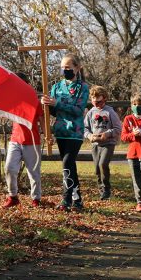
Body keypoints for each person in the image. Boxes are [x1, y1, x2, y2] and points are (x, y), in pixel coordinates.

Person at [42, 53, 89, 212]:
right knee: (70, 165)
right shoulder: (56, 87)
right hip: (60, 131)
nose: (65, 70)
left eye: (68, 68)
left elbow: (78, 110)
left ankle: (66, 199)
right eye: (62, 68)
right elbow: (56, 112)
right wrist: (47, 104)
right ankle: (78, 199)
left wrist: (58, 103)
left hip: (74, 132)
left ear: (77, 68)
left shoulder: (82, 87)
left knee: (67, 163)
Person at [4, 76, 42, 208]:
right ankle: (13, 196)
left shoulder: (34, 100)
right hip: (15, 140)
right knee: (9, 167)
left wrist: (48, 135)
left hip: (32, 141)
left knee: (33, 172)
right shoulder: (12, 98)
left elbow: (42, 119)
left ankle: (36, 199)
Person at [83, 85, 119, 200]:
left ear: (104, 98)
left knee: (103, 164)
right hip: (95, 144)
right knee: (97, 168)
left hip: (108, 143)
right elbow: (85, 128)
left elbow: (118, 128)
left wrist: (107, 134)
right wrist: (90, 136)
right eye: (93, 98)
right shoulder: (91, 113)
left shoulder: (109, 112)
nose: (95, 101)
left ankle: (106, 188)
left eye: (98, 98)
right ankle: (101, 189)